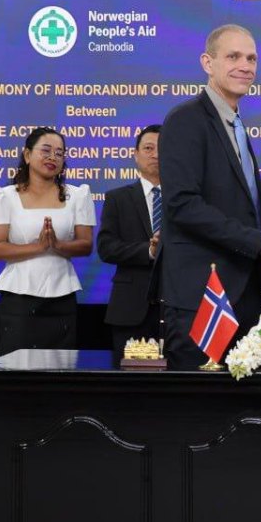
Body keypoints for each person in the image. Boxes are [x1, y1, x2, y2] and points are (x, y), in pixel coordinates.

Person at [158, 24, 261, 369]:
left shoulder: (234, 122)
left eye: (251, 58)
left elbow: (224, 200)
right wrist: (259, 240)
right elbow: (182, 205)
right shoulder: (186, 119)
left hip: (246, 291)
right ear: (208, 63)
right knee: (202, 401)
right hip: (204, 296)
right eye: (233, 56)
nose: (245, 66)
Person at [0, 127, 94, 353]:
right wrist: (39, 247)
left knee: (61, 365)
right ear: (27, 155)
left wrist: (58, 245)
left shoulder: (78, 195)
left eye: (59, 153)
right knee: (17, 366)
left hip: (62, 294)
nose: (53, 157)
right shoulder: (4, 196)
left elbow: (86, 245)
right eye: (46, 150)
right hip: (18, 296)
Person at [98, 125, 163, 356]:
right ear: (135, 155)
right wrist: (149, 251)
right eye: (148, 148)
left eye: (162, 148)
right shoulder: (117, 198)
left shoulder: (185, 199)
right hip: (131, 309)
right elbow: (106, 248)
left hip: (177, 309)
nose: (156, 155)